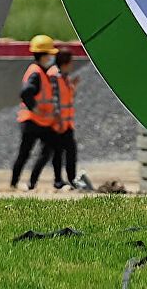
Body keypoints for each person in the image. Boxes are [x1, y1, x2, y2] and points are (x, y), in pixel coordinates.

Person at [9, 32, 60, 190]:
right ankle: (14, 183)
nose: (52, 58)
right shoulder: (36, 73)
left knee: (46, 151)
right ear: (42, 56)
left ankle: (31, 182)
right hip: (31, 121)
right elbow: (25, 92)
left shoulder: (42, 72)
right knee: (25, 153)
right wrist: (36, 109)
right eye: (49, 55)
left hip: (42, 121)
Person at [51, 49, 89, 191]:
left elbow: (68, 97)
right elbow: (54, 99)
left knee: (70, 152)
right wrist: (58, 119)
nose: (72, 65)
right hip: (58, 123)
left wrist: (73, 85)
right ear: (65, 63)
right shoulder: (54, 76)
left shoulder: (64, 77)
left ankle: (72, 180)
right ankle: (58, 181)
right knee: (57, 154)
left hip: (67, 123)